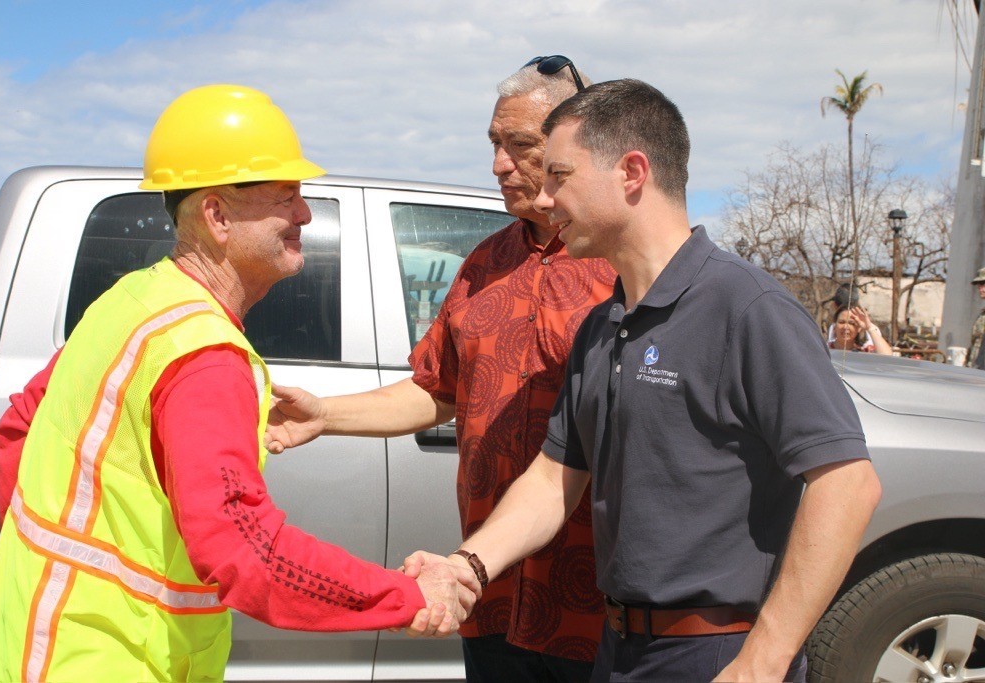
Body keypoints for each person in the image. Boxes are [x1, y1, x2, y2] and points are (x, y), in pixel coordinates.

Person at [0, 84, 478, 683]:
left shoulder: (131, 300)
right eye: (285, 196)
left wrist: (44, 569)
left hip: (20, 649)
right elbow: (249, 552)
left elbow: (17, 430)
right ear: (216, 215)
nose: (305, 214)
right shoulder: (204, 357)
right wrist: (406, 595)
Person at [405, 79, 882, 681]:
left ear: (632, 172)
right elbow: (555, 479)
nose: (545, 198)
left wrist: (765, 657)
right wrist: (465, 568)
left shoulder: (745, 306)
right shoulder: (605, 324)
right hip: (618, 651)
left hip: (717, 655)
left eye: (559, 175)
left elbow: (847, 484)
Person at [266, 57, 615, 682]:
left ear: (574, 145)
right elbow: (438, 390)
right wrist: (325, 416)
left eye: (520, 146)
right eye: (494, 144)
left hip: (598, 602)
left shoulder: (619, 263)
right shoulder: (484, 263)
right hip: (488, 589)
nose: (498, 164)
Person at [828, 305, 893, 355]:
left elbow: (887, 357)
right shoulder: (823, 349)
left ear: (859, 328)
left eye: (851, 323)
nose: (845, 327)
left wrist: (869, 328)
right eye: (842, 322)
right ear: (834, 327)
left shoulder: (865, 351)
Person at [968, 267, 985, 369]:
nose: (980, 288)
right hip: (976, 370)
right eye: (979, 285)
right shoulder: (982, 314)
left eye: (983, 284)